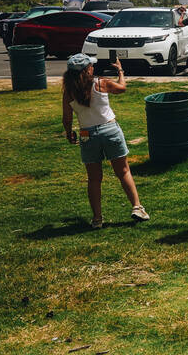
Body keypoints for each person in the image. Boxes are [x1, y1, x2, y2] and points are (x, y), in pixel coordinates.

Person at [61, 53, 149, 229]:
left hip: (87, 134)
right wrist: (121, 71)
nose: (93, 67)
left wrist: (69, 132)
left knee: (94, 178)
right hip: (109, 129)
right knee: (123, 171)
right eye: (90, 66)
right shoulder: (100, 83)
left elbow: (67, 117)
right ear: (87, 69)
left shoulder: (69, 92)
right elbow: (122, 88)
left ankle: (97, 219)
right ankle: (137, 207)